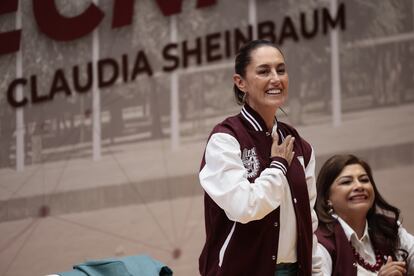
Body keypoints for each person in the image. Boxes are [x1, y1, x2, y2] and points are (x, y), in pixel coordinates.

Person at [198, 39, 322, 275]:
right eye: (264, 71)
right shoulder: (225, 139)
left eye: (281, 70)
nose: (275, 78)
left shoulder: (299, 145)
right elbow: (244, 207)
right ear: (240, 82)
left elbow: (309, 222)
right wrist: (277, 167)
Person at [315, 154, 414, 276]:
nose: (359, 186)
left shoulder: (388, 228)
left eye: (364, 180)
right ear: (326, 198)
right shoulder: (320, 243)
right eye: (346, 182)